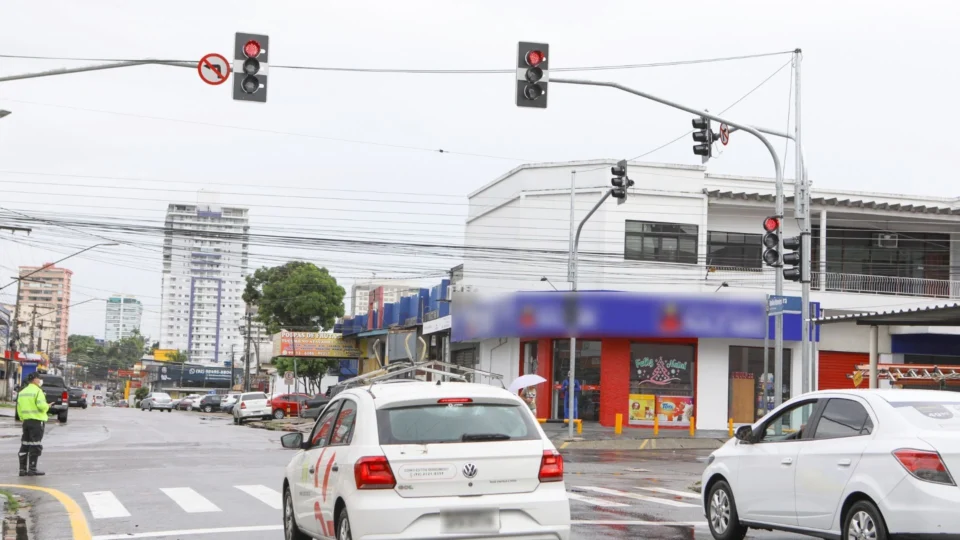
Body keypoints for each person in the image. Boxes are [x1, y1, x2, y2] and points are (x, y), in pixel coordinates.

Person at [16, 372, 48, 476]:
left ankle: (22, 469)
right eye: (39, 378)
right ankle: (32, 468)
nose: (40, 380)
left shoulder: (22, 392)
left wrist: (22, 418)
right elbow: (41, 406)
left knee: (25, 444)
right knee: (35, 444)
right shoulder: (38, 391)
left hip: (26, 422)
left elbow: (19, 407)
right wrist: (47, 406)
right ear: (34, 379)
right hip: (36, 422)